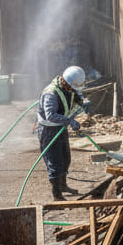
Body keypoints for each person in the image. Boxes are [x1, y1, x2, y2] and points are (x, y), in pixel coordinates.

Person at [36, 65, 89, 200]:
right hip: (48, 130)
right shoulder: (51, 94)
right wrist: (69, 121)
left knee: (65, 159)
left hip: (60, 127)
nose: (74, 90)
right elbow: (50, 115)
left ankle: (63, 186)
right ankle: (57, 195)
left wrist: (84, 102)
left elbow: (77, 95)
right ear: (66, 82)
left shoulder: (68, 87)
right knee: (54, 162)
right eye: (73, 87)